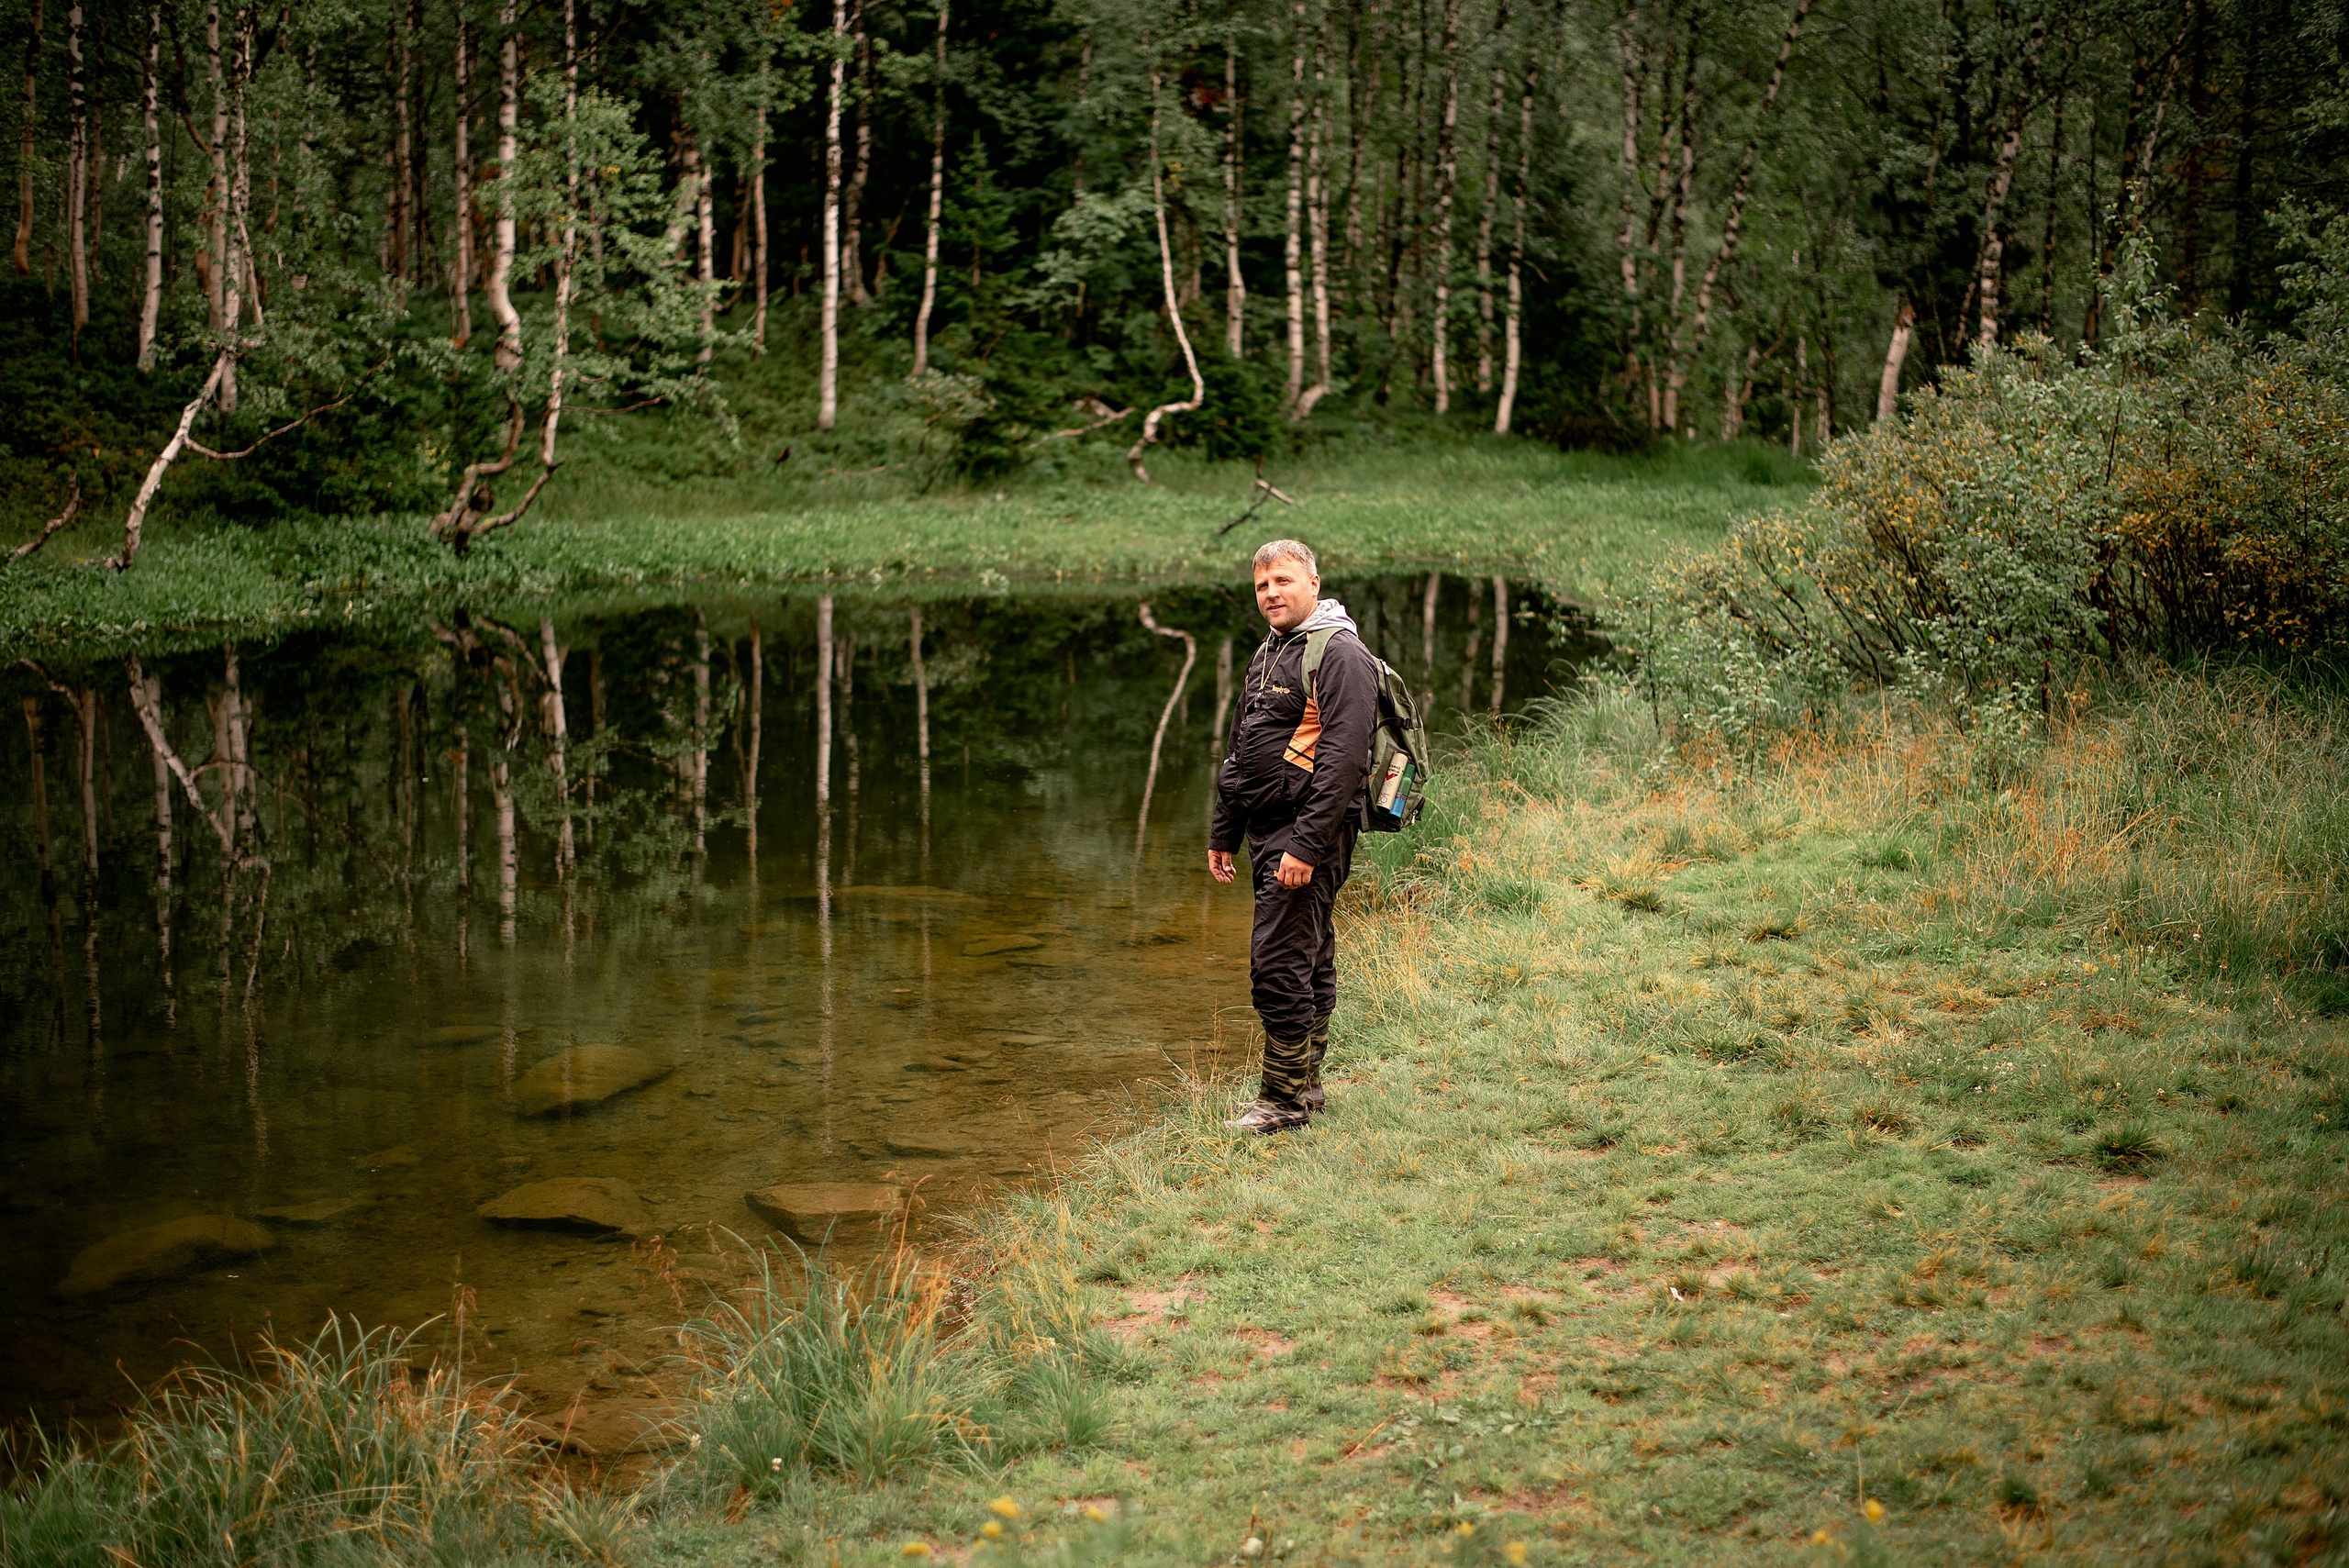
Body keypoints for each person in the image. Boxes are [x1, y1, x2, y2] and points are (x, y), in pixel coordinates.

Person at [1208, 539, 1378, 1134]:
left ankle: (1280, 1102)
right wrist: (1224, 829)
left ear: (1313, 582)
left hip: (1308, 832)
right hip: (1267, 827)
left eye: (1282, 580)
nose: (1272, 593)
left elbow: (1344, 758)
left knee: (1277, 960)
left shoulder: (1340, 655)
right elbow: (1240, 745)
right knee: (1308, 954)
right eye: (1261, 586)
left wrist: (1305, 845)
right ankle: (1305, 1087)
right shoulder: (1271, 651)